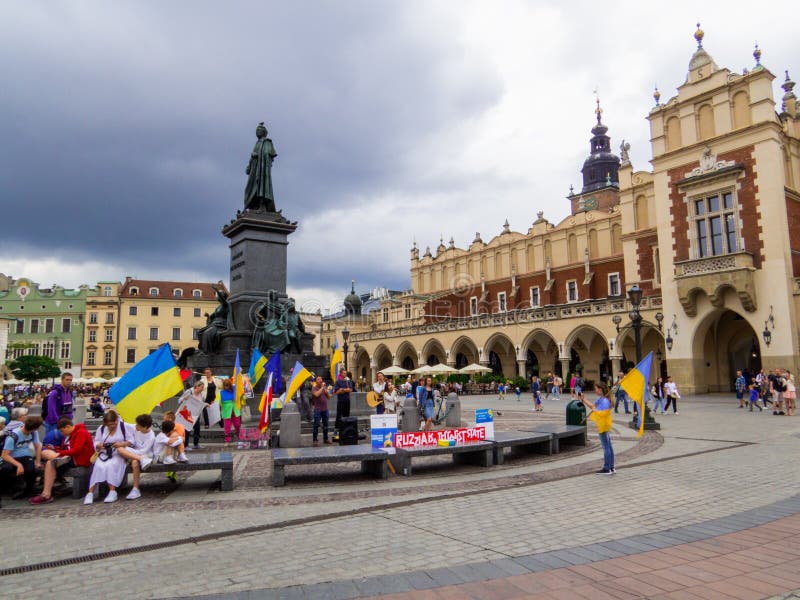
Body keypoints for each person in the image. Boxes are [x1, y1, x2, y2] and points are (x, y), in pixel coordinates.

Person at [30, 417, 94, 505]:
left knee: (50, 462)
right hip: (70, 458)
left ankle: (46, 494)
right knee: (47, 457)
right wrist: (55, 449)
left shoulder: (81, 433)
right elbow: (66, 448)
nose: (62, 433)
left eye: (62, 431)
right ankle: (46, 493)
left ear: (67, 427)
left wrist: (59, 453)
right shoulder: (69, 435)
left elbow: (77, 450)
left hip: (78, 460)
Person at [84, 411, 135, 505]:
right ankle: (90, 493)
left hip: (118, 454)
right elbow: (96, 442)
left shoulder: (123, 427)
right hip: (104, 454)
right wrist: (99, 445)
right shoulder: (102, 428)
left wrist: (121, 444)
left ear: (116, 421)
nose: (111, 426)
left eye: (112, 424)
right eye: (109, 424)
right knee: (98, 466)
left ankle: (112, 491)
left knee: (111, 465)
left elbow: (131, 440)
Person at [114, 414, 156, 500]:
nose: (136, 426)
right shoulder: (136, 428)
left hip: (145, 455)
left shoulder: (151, 436)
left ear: (145, 427)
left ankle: (135, 489)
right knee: (122, 451)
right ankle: (135, 489)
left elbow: (144, 451)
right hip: (138, 455)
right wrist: (115, 415)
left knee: (134, 461)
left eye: (138, 425)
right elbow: (124, 424)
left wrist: (128, 450)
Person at [0, 415, 43, 499]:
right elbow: (4, 455)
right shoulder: (13, 436)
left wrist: (38, 462)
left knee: (31, 470)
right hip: (11, 457)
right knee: (5, 469)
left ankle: (27, 491)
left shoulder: (33, 433)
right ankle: (6, 490)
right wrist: (18, 465)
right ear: (35, 428)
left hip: (25, 455)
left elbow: (38, 447)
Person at [581, 384, 614, 475]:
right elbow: (593, 406)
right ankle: (611, 467)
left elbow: (603, 413)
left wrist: (595, 410)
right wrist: (584, 399)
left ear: (600, 389)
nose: (595, 391)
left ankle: (607, 468)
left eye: (596, 389)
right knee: (608, 446)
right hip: (602, 424)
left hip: (603, 425)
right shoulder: (601, 399)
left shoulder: (605, 401)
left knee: (606, 447)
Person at [310, 375, 331, 446]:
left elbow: (329, 397)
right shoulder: (314, 388)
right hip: (317, 410)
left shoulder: (323, 388)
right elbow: (316, 395)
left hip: (325, 409)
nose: (320, 380)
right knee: (316, 425)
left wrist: (326, 391)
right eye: (318, 379)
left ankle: (326, 439)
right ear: (316, 381)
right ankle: (315, 440)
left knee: (326, 425)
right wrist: (322, 388)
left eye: (321, 379)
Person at [219, 379, 242, 444]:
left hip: (235, 411)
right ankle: (227, 440)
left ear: (230, 385)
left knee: (237, 425)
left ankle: (238, 436)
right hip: (226, 412)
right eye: (225, 385)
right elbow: (218, 401)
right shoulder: (221, 392)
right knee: (227, 427)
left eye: (228, 385)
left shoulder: (234, 390)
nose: (226, 387)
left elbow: (239, 386)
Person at [333, 371, 354, 439]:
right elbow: (336, 392)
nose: (345, 374)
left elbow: (350, 390)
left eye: (346, 373)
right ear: (341, 374)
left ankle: (346, 429)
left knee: (346, 415)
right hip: (340, 401)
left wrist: (343, 390)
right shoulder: (338, 382)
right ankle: (336, 430)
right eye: (344, 373)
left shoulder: (348, 381)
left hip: (347, 401)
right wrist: (343, 390)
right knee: (339, 416)